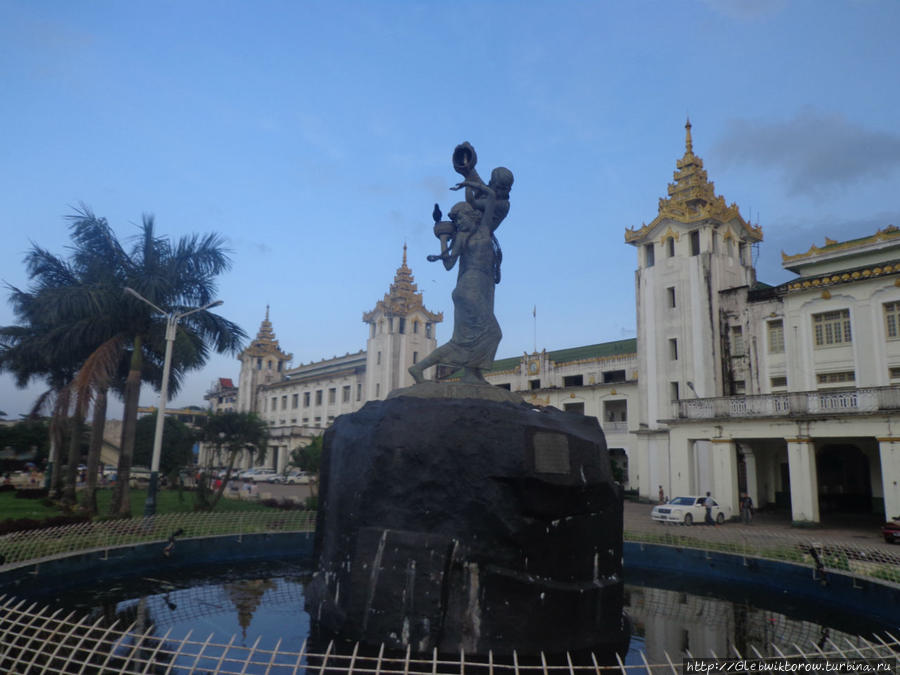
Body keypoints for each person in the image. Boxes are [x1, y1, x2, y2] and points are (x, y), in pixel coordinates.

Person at [410, 182, 505, 385]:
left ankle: (425, 369)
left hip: (479, 288)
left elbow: (490, 196)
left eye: (461, 218)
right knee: (491, 332)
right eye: (457, 220)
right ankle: (471, 374)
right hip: (470, 288)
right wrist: (443, 239)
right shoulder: (464, 236)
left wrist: (468, 181)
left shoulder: (483, 228)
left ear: (472, 216)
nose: (459, 223)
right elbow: (448, 265)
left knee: (465, 339)